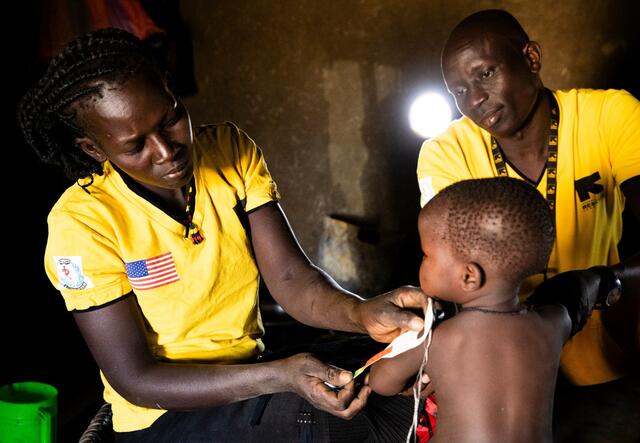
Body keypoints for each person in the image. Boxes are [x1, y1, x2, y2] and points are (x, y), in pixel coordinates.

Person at [17, 28, 425, 442]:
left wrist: (360, 314)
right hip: (164, 417)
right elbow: (135, 379)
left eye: (171, 119)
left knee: (396, 371)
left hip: (252, 374)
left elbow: (290, 279)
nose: (165, 151)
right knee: (348, 422)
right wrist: (278, 377)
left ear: (171, 90)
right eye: (136, 145)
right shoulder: (84, 223)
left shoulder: (230, 152)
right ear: (94, 149)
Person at [417, 9, 639, 387]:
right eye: (458, 90)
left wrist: (602, 281)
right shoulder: (446, 153)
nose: (474, 99)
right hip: (506, 370)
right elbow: (454, 277)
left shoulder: (609, 116)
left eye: (484, 73)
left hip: (608, 353)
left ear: (531, 59)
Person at [370, 177, 606, 443]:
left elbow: (382, 382)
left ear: (469, 276)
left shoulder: (442, 337)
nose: (422, 262)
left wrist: (407, 342)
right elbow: (580, 296)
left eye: (427, 255)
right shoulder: (555, 322)